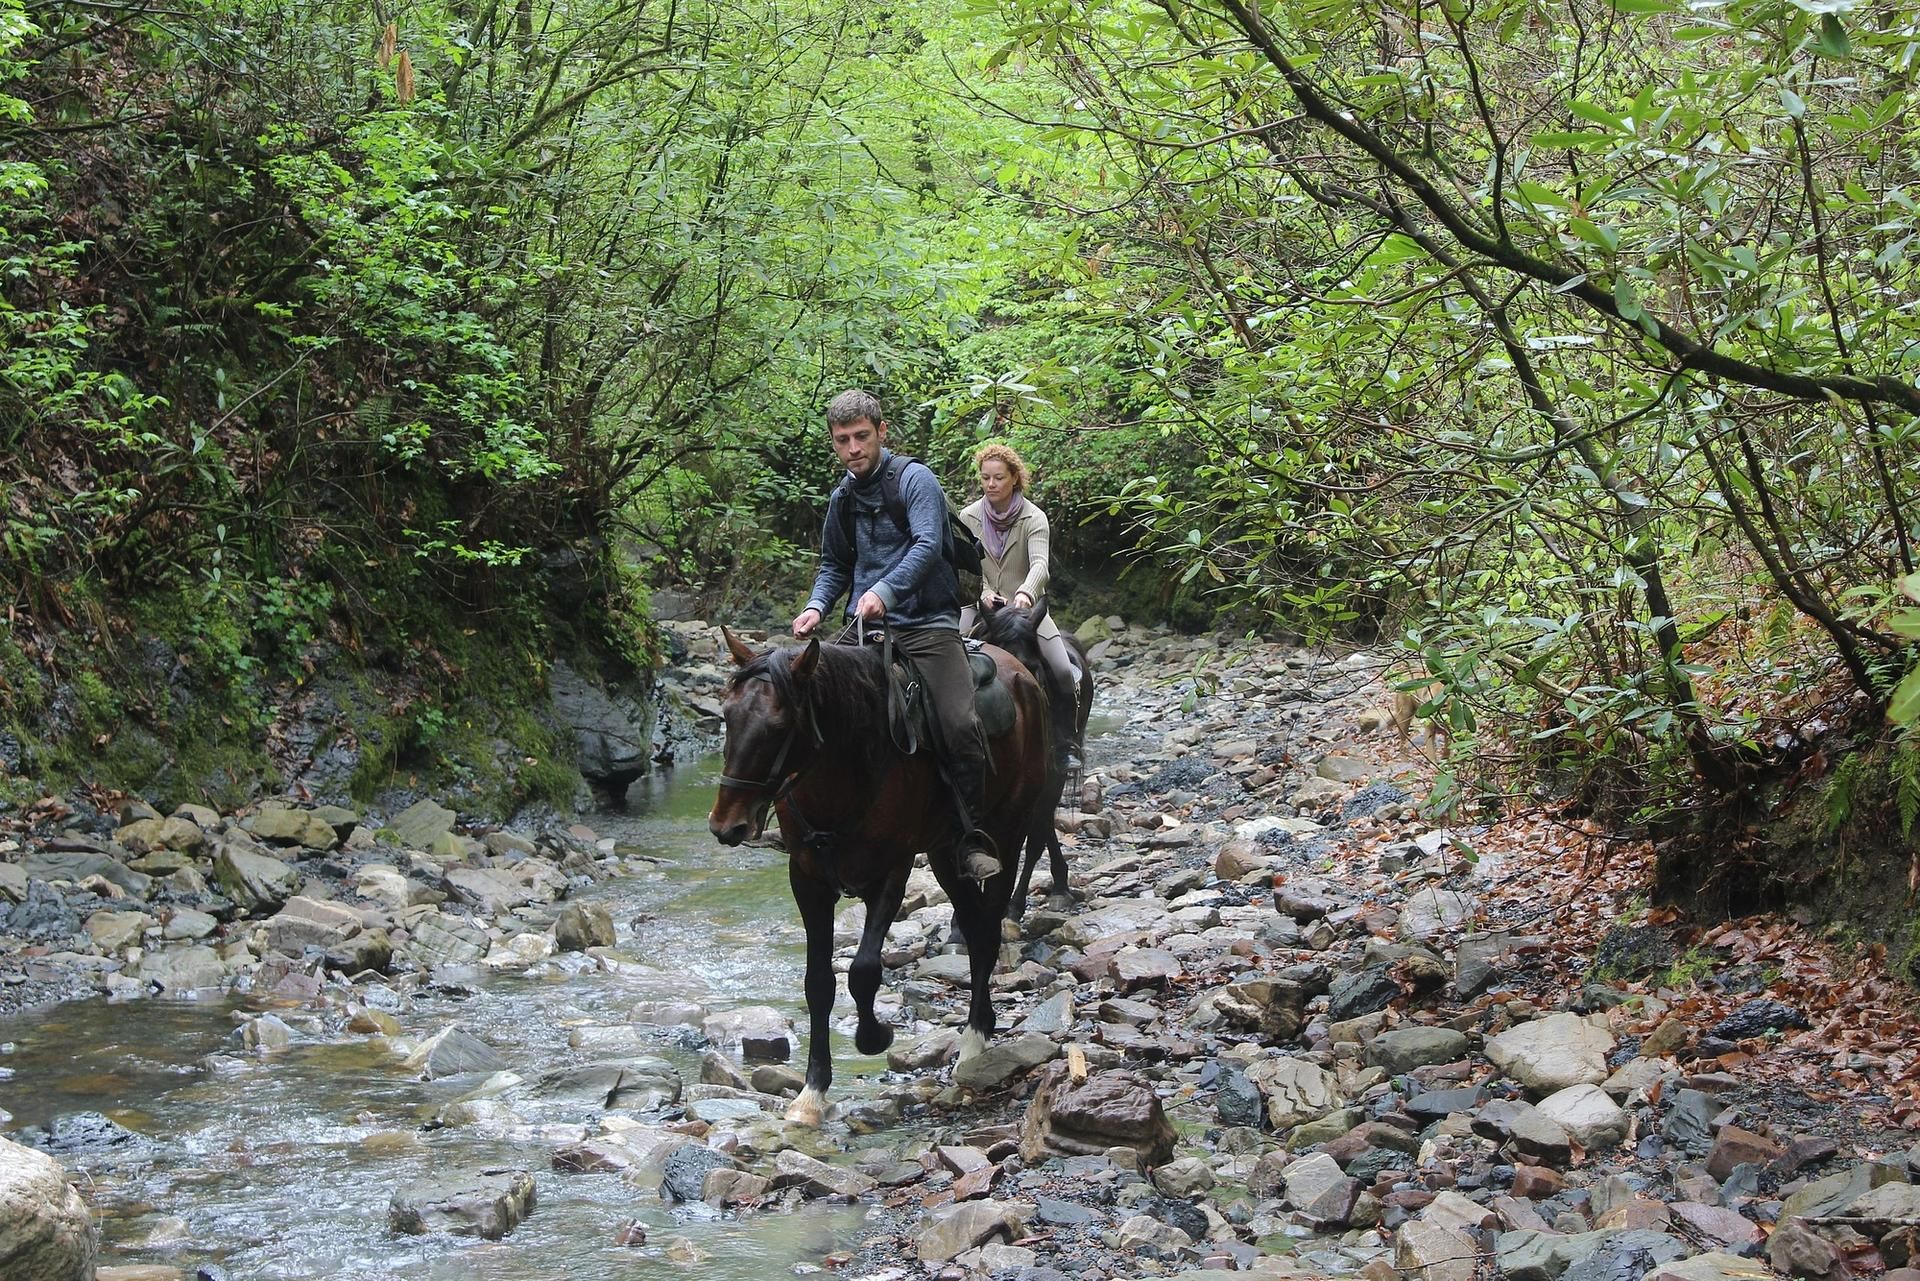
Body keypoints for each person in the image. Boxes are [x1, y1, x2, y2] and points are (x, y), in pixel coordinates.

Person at [791, 390, 1001, 884]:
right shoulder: (842, 497)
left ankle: (971, 836)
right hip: (864, 628)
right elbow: (835, 564)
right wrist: (816, 606)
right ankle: (813, 821)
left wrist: (884, 590)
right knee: (806, 705)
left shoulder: (914, 479)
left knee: (958, 721)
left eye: (862, 436)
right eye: (843, 440)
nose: (853, 448)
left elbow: (929, 545)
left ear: (881, 433)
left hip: (927, 625)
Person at [959, 442, 1080, 770]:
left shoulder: (1034, 518)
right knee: (948, 659)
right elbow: (964, 568)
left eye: (998, 477)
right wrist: (983, 592)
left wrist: (1025, 594)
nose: (991, 484)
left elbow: (1040, 564)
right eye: (985, 478)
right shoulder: (968, 517)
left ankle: (1066, 742)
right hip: (979, 605)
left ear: (1015, 478)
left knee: (1062, 669)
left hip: (1025, 609)